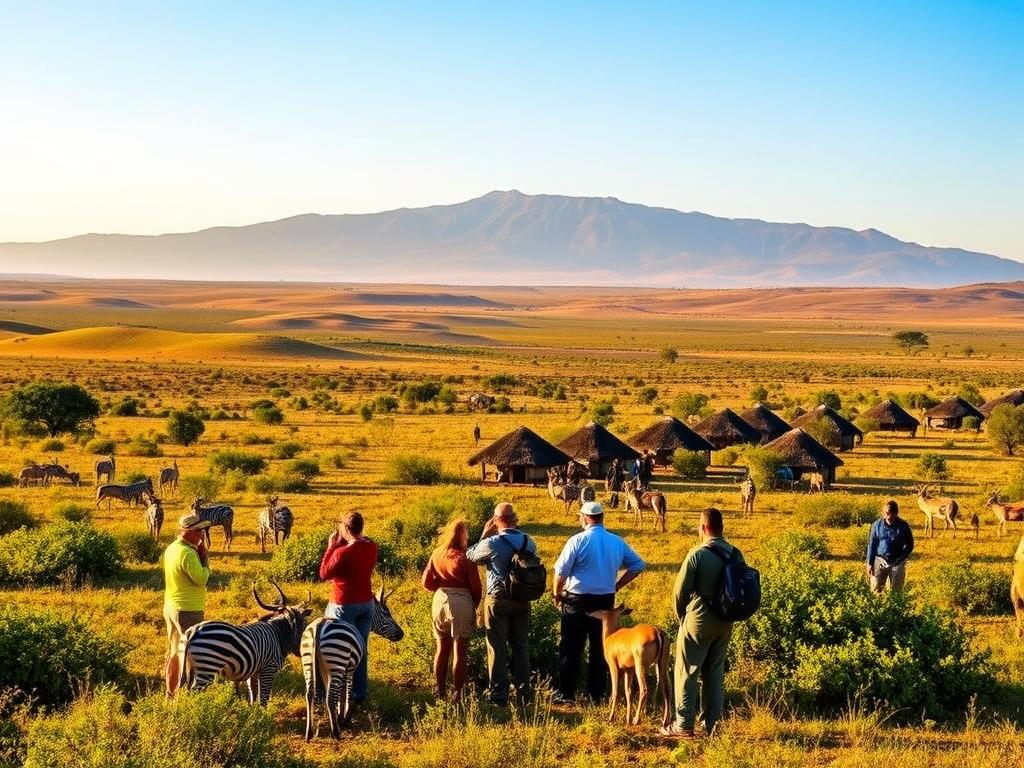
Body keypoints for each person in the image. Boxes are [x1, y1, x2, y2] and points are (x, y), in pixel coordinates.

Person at [552, 501, 645, 704]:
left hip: (576, 600)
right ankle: (596, 693)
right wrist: (618, 585)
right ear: (602, 517)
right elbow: (638, 565)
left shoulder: (577, 541)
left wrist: (556, 594)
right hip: (605, 601)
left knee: (571, 647)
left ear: (585, 518)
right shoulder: (616, 541)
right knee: (600, 648)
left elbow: (560, 573)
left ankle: (566, 693)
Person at [663, 507, 743, 737]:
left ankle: (683, 724)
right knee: (715, 673)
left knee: (687, 670)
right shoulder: (735, 553)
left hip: (698, 618)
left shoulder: (697, 554)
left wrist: (681, 617)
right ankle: (713, 725)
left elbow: (680, 592)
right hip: (725, 620)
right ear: (722, 528)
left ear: (703, 528)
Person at [466, 502, 538, 705]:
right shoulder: (529, 542)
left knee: (496, 647)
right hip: (522, 599)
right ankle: (524, 696)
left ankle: (498, 696)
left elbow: (471, 556)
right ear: (515, 519)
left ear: (497, 521)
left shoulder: (492, 543)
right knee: (521, 646)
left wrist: (484, 534)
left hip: (497, 599)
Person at [319, 511, 378, 705]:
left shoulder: (341, 553)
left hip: (343, 604)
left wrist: (331, 546)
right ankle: (359, 692)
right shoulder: (372, 547)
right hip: (366, 603)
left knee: (339, 649)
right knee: (360, 648)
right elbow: (363, 542)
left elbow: (324, 573)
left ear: (345, 529)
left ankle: (338, 692)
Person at [421, 518, 482, 701]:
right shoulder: (466, 558)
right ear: (463, 535)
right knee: (460, 650)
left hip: (439, 600)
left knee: (441, 648)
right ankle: (458, 692)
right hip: (461, 601)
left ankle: (439, 690)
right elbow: (476, 589)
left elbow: (426, 582)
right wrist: (473, 606)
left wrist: (440, 588)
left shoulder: (437, 553)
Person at [163, 512, 213, 696]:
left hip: (171, 607)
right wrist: (204, 558)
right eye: (200, 530)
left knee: (174, 651)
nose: (202, 535)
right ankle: (189, 695)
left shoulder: (171, 548)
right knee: (193, 654)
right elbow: (201, 579)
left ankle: (171, 693)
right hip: (188, 610)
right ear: (189, 531)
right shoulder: (188, 553)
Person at [865, 499, 914, 593]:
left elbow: (910, 545)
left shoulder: (903, 526)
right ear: (884, 512)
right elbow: (872, 545)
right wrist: (869, 563)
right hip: (880, 560)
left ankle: (894, 607)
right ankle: (877, 607)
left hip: (897, 562)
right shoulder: (876, 525)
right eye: (887, 513)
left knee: (897, 591)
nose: (889, 516)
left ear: (897, 513)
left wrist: (902, 559)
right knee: (876, 590)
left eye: (893, 513)